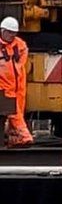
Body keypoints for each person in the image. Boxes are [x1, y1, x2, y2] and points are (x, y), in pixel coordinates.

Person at [0, 17, 32, 148]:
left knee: (19, 110)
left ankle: (14, 137)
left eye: (14, 33)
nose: (12, 35)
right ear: (2, 31)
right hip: (4, 86)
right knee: (14, 113)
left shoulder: (20, 44)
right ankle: (25, 136)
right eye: (9, 32)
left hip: (19, 85)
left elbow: (20, 62)